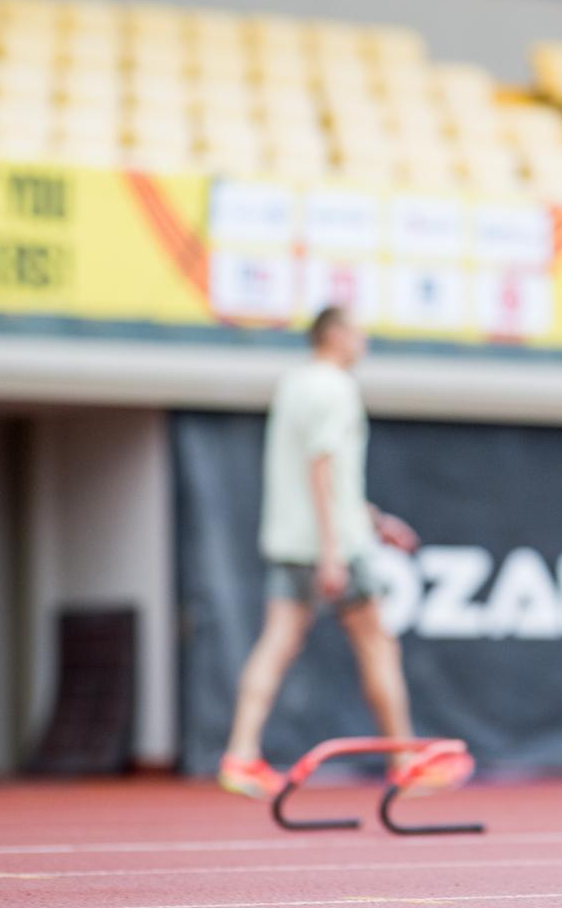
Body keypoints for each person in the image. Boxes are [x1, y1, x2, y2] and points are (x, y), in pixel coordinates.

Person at [217, 305, 423, 799]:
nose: (365, 340)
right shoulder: (336, 388)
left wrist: (375, 520)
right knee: (378, 644)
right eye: (358, 331)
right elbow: (321, 467)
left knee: (276, 643)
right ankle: (404, 760)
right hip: (336, 546)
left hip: (291, 540)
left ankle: (240, 755)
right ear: (334, 335)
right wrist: (333, 552)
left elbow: (327, 476)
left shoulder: (294, 384)